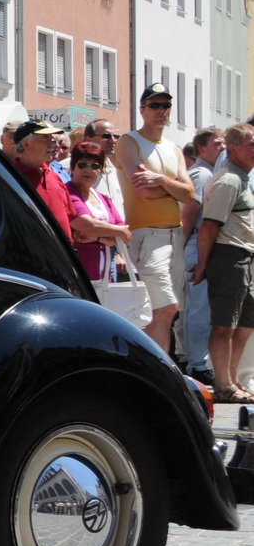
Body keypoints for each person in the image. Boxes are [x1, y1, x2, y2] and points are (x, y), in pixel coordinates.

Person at [115, 84, 195, 354]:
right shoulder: (129, 141)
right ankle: (157, 366)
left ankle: (152, 363)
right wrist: (173, 189)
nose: (162, 110)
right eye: (155, 105)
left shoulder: (173, 148)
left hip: (175, 235)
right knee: (164, 307)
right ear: (142, 110)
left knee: (166, 311)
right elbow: (144, 190)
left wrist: (160, 180)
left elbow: (189, 194)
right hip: (147, 235)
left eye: (166, 105)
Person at [188, 123, 254, 403]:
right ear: (234, 148)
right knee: (224, 324)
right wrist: (202, 264)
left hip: (244, 255)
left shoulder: (241, 177)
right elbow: (209, 226)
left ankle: (233, 379)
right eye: (252, 144)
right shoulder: (229, 180)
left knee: (245, 323)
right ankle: (224, 385)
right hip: (229, 256)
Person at [181, 127, 226, 383]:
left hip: (202, 241)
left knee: (201, 307)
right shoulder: (202, 174)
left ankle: (197, 360)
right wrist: (183, 247)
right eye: (217, 143)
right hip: (197, 241)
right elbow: (189, 212)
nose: (222, 147)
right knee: (199, 307)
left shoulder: (210, 172)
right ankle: (197, 364)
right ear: (201, 148)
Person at [65, 141, 129, 282]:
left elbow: (124, 236)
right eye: (82, 165)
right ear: (72, 167)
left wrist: (97, 238)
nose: (88, 170)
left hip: (107, 273)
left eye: (95, 166)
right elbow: (86, 224)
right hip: (80, 272)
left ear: (100, 170)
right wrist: (116, 232)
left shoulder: (103, 198)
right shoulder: (68, 193)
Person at [10, 120, 72, 230]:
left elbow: (70, 216)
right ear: (26, 144)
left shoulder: (54, 177)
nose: (52, 144)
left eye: (52, 139)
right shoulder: (11, 178)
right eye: (45, 139)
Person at [84, 118, 126, 213]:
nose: (113, 140)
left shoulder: (115, 170)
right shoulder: (72, 167)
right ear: (88, 140)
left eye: (116, 136)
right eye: (106, 136)